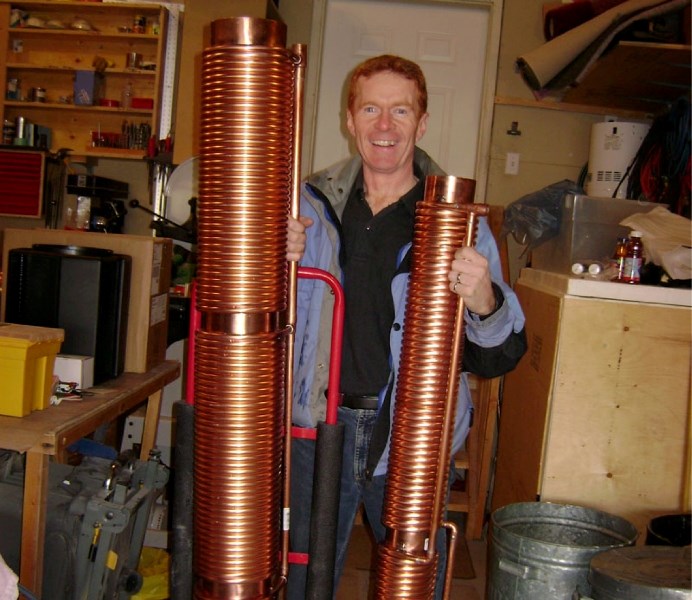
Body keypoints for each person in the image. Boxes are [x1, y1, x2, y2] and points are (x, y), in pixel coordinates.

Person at [286, 54, 527, 598]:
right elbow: (267, 318)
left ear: (421, 123)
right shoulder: (308, 206)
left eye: (401, 110)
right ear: (350, 120)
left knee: (411, 583)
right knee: (305, 577)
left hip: (411, 435)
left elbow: (500, 356)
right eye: (371, 108)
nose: (385, 125)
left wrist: (485, 298)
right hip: (317, 423)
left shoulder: (457, 219)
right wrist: (276, 260)